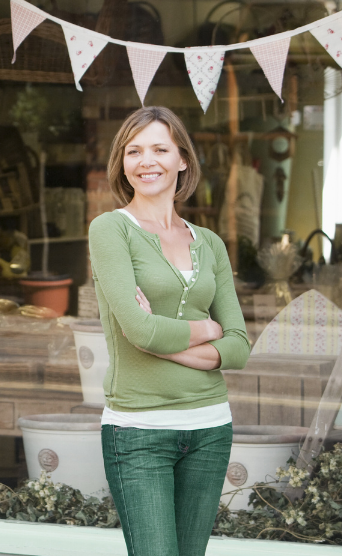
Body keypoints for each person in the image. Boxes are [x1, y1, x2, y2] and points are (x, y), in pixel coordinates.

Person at [87, 106, 251, 556]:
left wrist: (158, 337)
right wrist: (204, 328)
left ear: (183, 160)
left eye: (160, 148)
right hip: (138, 430)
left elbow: (237, 346)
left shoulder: (210, 242)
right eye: (134, 151)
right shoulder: (110, 230)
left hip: (210, 426)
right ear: (123, 163)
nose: (147, 161)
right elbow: (138, 330)